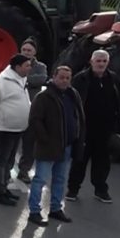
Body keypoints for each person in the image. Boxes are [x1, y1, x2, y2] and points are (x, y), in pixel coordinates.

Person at [25, 66, 85, 226]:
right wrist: (45, 139)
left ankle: (56, 209)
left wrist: (78, 138)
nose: (65, 81)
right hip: (48, 147)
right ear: (54, 77)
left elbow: (79, 117)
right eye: (61, 77)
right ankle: (34, 212)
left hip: (67, 146)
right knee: (40, 179)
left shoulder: (73, 94)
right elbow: (35, 120)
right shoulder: (44, 97)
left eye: (68, 78)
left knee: (60, 179)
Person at [66, 50, 120, 203]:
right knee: (80, 160)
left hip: (105, 129)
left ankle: (101, 190)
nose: (101, 64)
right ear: (91, 62)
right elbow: (72, 102)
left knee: (102, 161)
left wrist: (116, 121)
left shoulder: (114, 79)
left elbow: (119, 101)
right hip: (85, 128)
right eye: (98, 61)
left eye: (104, 61)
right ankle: (73, 189)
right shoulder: (81, 79)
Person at [0, 54, 33, 206]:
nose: (30, 68)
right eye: (27, 65)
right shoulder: (0, 82)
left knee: (9, 160)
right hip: (4, 128)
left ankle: (5, 187)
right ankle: (0, 192)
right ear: (17, 67)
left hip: (18, 128)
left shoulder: (21, 79)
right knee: (1, 160)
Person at [15, 38, 49, 183]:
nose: (26, 52)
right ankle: (5, 172)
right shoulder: (14, 64)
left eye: (29, 50)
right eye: (24, 50)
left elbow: (41, 79)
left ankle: (24, 171)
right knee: (11, 144)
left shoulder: (41, 66)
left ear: (35, 52)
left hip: (32, 110)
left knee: (29, 144)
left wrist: (23, 78)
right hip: (16, 109)